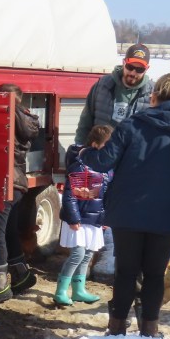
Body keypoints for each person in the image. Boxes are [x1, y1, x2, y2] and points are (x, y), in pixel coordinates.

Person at [81, 65, 170, 337]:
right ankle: (149, 331)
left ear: (155, 96)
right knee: (154, 274)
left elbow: (103, 161)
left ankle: (116, 329)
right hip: (169, 214)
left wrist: (83, 153)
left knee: (126, 272)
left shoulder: (132, 126)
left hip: (128, 212)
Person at [0, 83, 41, 305]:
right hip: (17, 183)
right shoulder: (25, 118)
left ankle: (0, 286)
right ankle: (22, 276)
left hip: (4, 183)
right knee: (9, 232)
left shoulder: (10, 115)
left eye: (1, 98)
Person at [54, 125, 112, 306]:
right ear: (95, 145)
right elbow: (70, 195)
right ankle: (61, 291)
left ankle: (79, 290)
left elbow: (106, 195)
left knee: (87, 255)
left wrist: (105, 218)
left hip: (94, 219)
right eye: (106, 146)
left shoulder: (105, 167)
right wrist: (73, 218)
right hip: (79, 219)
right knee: (77, 254)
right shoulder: (80, 166)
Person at [74, 43, 154, 145]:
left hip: (131, 157)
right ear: (124, 62)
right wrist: (80, 146)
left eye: (139, 69)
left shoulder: (153, 94)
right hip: (99, 152)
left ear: (147, 69)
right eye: (130, 67)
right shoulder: (102, 85)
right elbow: (86, 120)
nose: (133, 73)